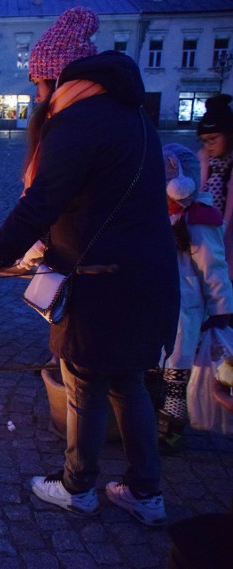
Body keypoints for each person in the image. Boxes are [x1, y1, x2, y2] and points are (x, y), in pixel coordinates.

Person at [0, 7, 178, 527]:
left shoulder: (77, 121)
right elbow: (93, 200)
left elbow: (43, 202)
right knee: (127, 380)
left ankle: (77, 487)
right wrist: (41, 246)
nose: (36, 94)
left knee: (81, 377)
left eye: (38, 82)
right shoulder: (132, 115)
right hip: (144, 277)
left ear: (58, 77)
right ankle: (147, 492)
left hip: (102, 282)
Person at [155, 143, 233, 453]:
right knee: (157, 369)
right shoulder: (161, 214)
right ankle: (151, 422)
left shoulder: (199, 219)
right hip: (159, 306)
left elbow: (214, 269)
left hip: (185, 310)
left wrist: (220, 312)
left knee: (176, 375)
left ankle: (171, 432)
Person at [197, 94, 233, 283]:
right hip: (207, 249)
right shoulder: (202, 161)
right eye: (204, 140)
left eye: (212, 138)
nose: (208, 145)